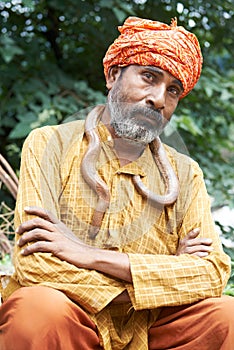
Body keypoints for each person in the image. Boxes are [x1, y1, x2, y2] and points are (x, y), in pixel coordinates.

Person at [0, 16, 234, 350]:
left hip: (153, 328)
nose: (158, 99)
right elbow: (36, 263)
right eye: (148, 77)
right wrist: (165, 274)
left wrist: (86, 255)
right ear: (113, 76)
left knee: (228, 316)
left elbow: (211, 273)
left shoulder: (186, 172)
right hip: (72, 319)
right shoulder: (48, 143)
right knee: (37, 310)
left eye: (173, 90)